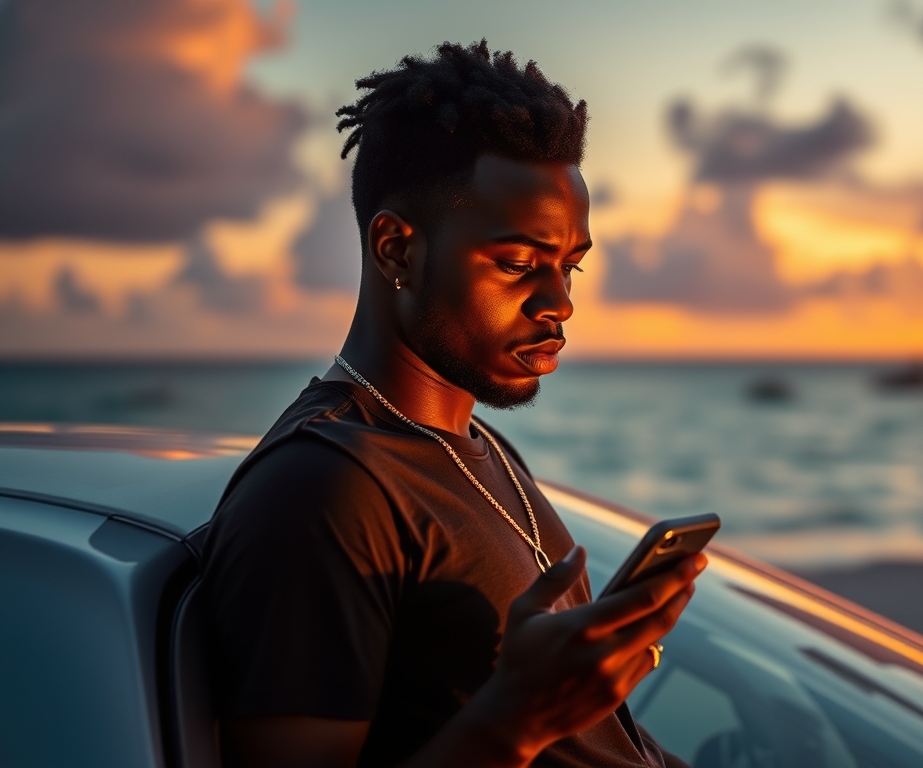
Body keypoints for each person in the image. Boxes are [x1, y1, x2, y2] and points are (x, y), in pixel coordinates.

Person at [202, 40, 704, 768]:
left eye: (570, 266)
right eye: (519, 264)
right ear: (397, 251)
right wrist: (515, 724)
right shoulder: (324, 490)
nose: (560, 302)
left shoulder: (478, 447)